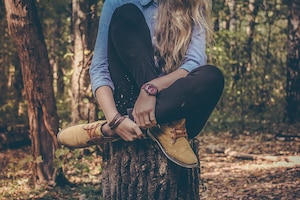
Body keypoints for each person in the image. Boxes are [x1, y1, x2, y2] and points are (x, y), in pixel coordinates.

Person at [57, 0, 224, 168]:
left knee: (212, 76)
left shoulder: (193, 3)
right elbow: (100, 68)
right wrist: (114, 118)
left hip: (176, 110)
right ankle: (156, 125)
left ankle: (106, 131)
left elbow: (194, 62)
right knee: (126, 14)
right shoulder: (117, 2)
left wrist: (151, 89)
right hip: (131, 99)